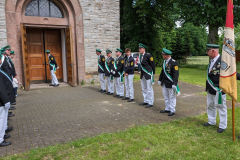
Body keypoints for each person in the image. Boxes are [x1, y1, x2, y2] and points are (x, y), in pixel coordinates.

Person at [203, 44, 227, 133]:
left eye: (208, 51)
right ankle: (211, 121)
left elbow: (229, 74)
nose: (207, 53)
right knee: (210, 105)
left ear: (213, 51)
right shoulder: (212, 61)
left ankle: (223, 125)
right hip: (210, 88)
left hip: (219, 89)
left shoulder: (223, 61)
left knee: (221, 107)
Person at [158, 48, 180, 116]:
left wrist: (174, 83)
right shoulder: (165, 62)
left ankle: (172, 110)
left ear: (166, 55)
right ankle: (167, 108)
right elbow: (162, 72)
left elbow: (176, 74)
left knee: (172, 96)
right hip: (164, 82)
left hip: (170, 83)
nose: (162, 55)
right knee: (166, 96)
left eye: (163, 54)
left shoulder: (174, 62)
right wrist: (160, 79)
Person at [138, 43, 155, 108]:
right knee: (144, 88)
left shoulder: (148, 55)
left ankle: (150, 102)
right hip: (143, 74)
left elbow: (153, 64)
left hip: (148, 74)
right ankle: (145, 100)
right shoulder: (140, 56)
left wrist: (152, 73)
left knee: (149, 88)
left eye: (140, 49)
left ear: (144, 49)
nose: (139, 50)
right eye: (139, 49)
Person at [0, 54, 12, 147]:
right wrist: (5, 100)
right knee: (1, 119)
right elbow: (1, 88)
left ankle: (2, 134)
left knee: (2, 120)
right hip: (1, 102)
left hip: (2, 101)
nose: (1, 60)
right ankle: (0, 139)